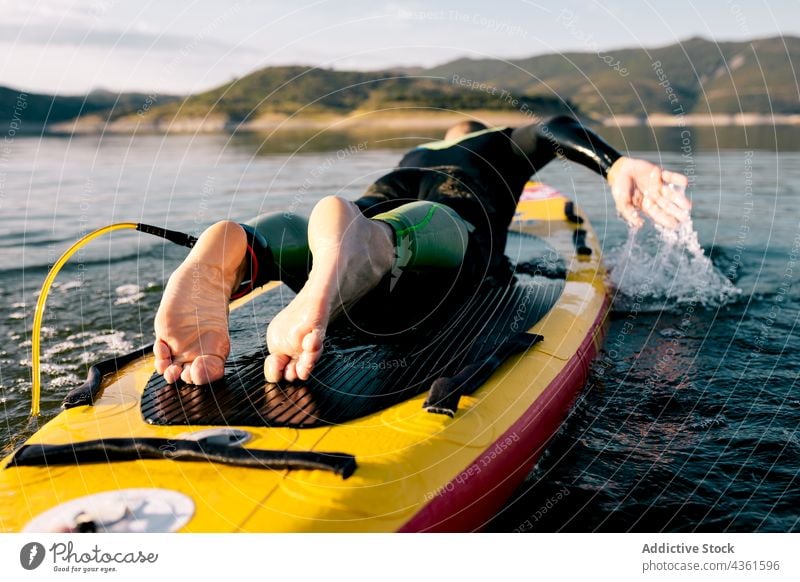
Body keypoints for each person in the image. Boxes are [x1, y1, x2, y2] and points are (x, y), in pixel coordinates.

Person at [153, 115, 691, 386]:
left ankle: (254, 246)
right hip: (453, 218)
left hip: (379, 197)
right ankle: (376, 249)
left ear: (445, 133)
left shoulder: (418, 151)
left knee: (360, 224)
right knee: (441, 232)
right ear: (475, 130)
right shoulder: (494, 144)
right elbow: (553, 128)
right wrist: (615, 164)